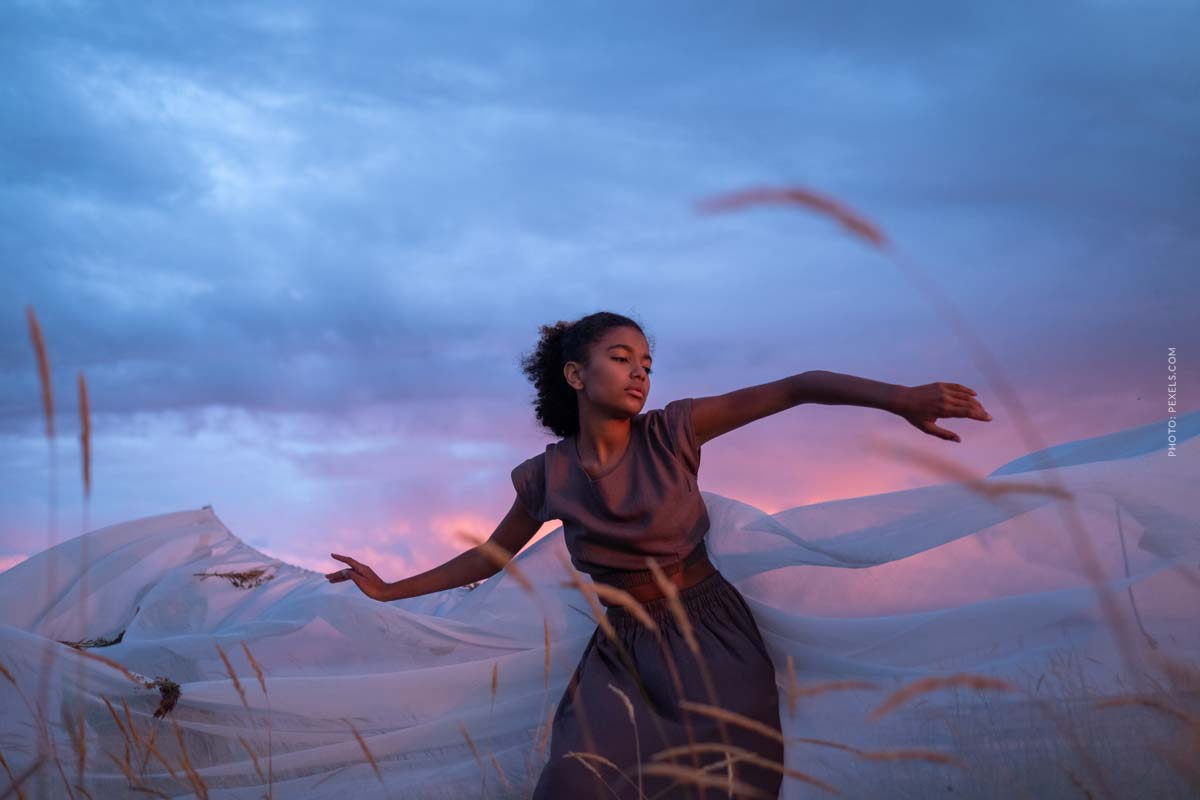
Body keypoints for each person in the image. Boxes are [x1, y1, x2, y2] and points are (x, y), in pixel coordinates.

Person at [325, 310, 991, 798]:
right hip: (623, 653)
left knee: (720, 789)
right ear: (576, 374)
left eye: (648, 362)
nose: (641, 372)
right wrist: (388, 589)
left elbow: (796, 387)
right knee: (571, 785)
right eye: (622, 358)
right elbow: (489, 558)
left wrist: (901, 398)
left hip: (714, 641)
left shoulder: (673, 432)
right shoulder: (546, 475)